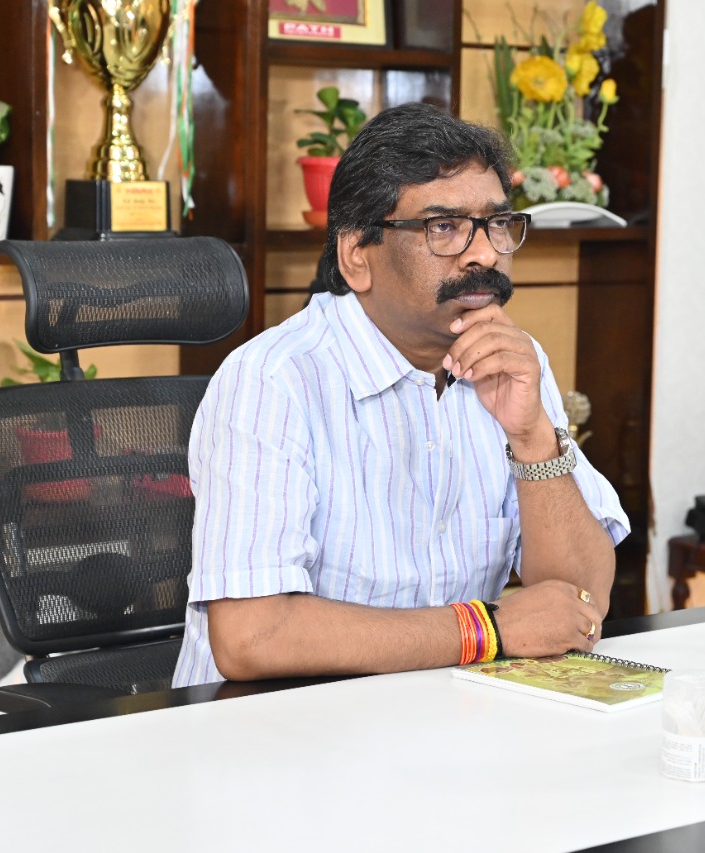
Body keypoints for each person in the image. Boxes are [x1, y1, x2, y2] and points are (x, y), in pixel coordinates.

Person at [172, 103, 628, 687]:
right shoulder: (274, 380)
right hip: (277, 724)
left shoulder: (513, 361)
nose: (486, 253)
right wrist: (487, 630)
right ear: (356, 256)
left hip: (446, 714)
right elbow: (252, 637)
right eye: (444, 227)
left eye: (496, 224)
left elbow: (582, 600)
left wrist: (532, 436)